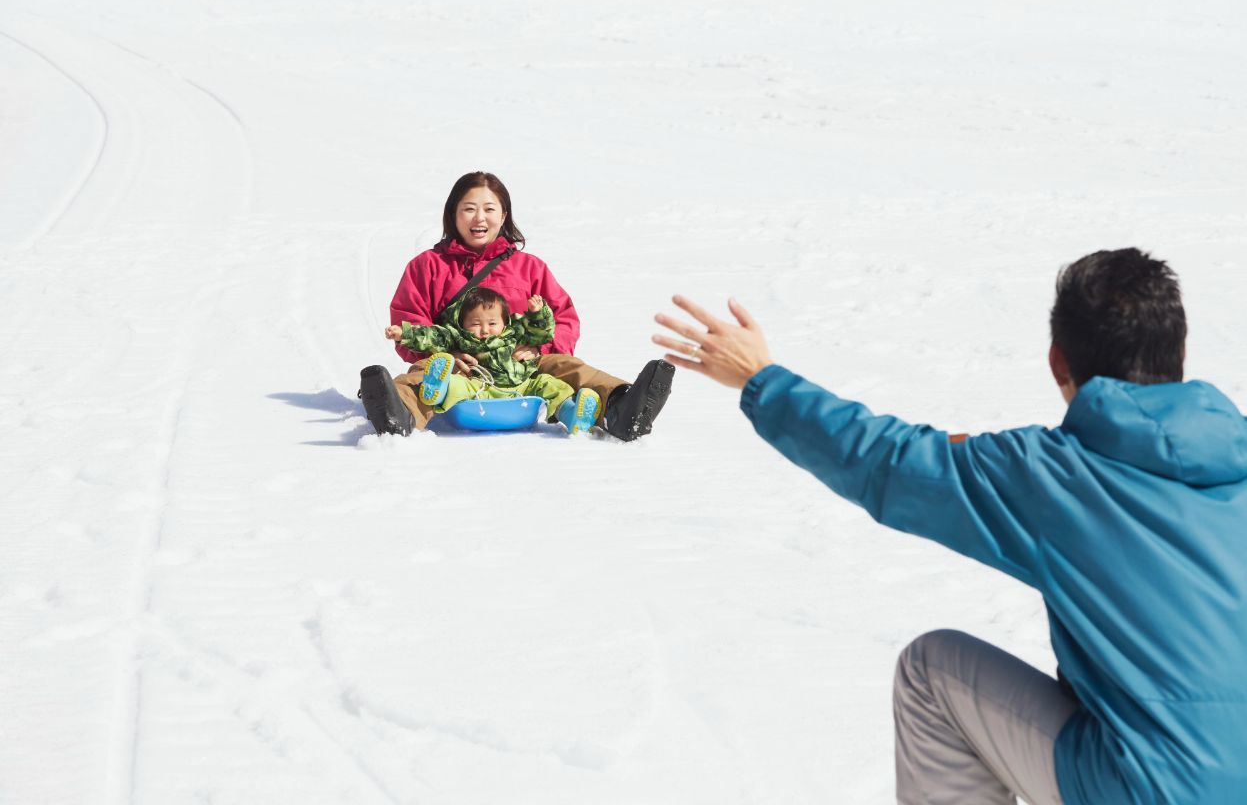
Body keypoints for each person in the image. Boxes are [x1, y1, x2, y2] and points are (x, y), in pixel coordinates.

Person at [653, 248, 1247, 804]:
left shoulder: (1055, 476)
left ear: (1057, 361)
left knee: (931, 671)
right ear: (1178, 354)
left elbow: (889, 463)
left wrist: (762, 379)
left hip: (1152, 786)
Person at [359, 171, 673, 440]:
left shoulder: (529, 268)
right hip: (460, 364)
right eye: (469, 209)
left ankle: (621, 408)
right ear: (453, 215)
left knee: (570, 368)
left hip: (522, 366)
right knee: (424, 374)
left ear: (504, 215)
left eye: (489, 209)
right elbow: (411, 317)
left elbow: (562, 317)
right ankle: (397, 414)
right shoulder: (427, 266)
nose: (479, 218)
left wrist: (541, 349)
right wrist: (447, 355)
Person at [383, 286, 600, 433]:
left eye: (492, 323)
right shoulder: (458, 336)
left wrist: (538, 313)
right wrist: (405, 334)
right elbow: (432, 336)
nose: (485, 330)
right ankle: (437, 389)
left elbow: (541, 334)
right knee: (459, 384)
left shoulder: (513, 333)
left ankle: (572, 415)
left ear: (504, 322)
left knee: (551, 385)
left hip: (521, 385)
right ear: (462, 324)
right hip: (480, 385)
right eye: (475, 324)